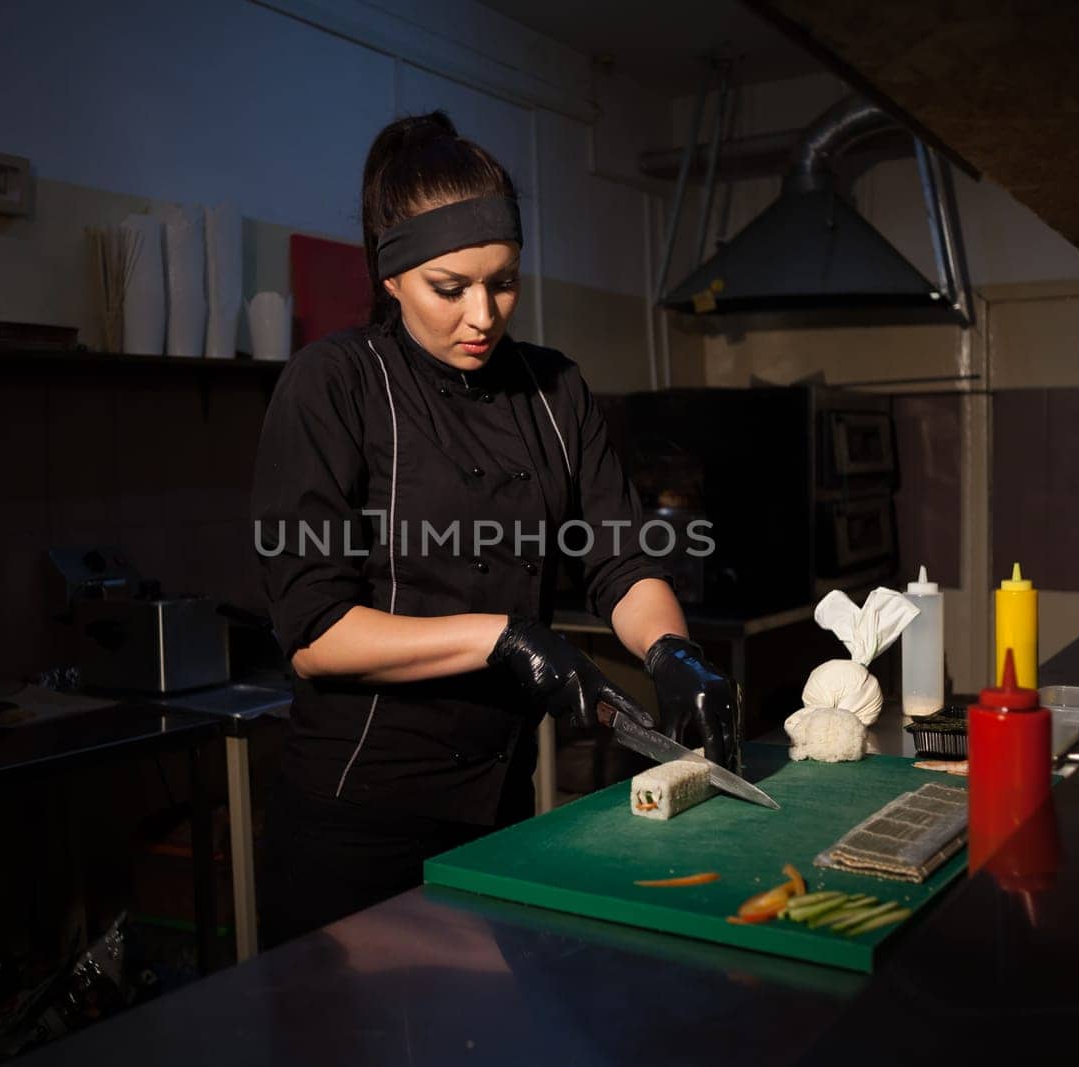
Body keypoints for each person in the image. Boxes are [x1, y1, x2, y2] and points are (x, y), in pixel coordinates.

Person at [251, 111, 741, 945]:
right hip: (355, 820)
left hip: (501, 803)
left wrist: (671, 651)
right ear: (391, 275)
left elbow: (621, 561)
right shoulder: (333, 385)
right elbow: (315, 630)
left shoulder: (554, 390)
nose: (482, 314)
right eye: (450, 289)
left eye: (504, 282)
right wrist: (503, 639)